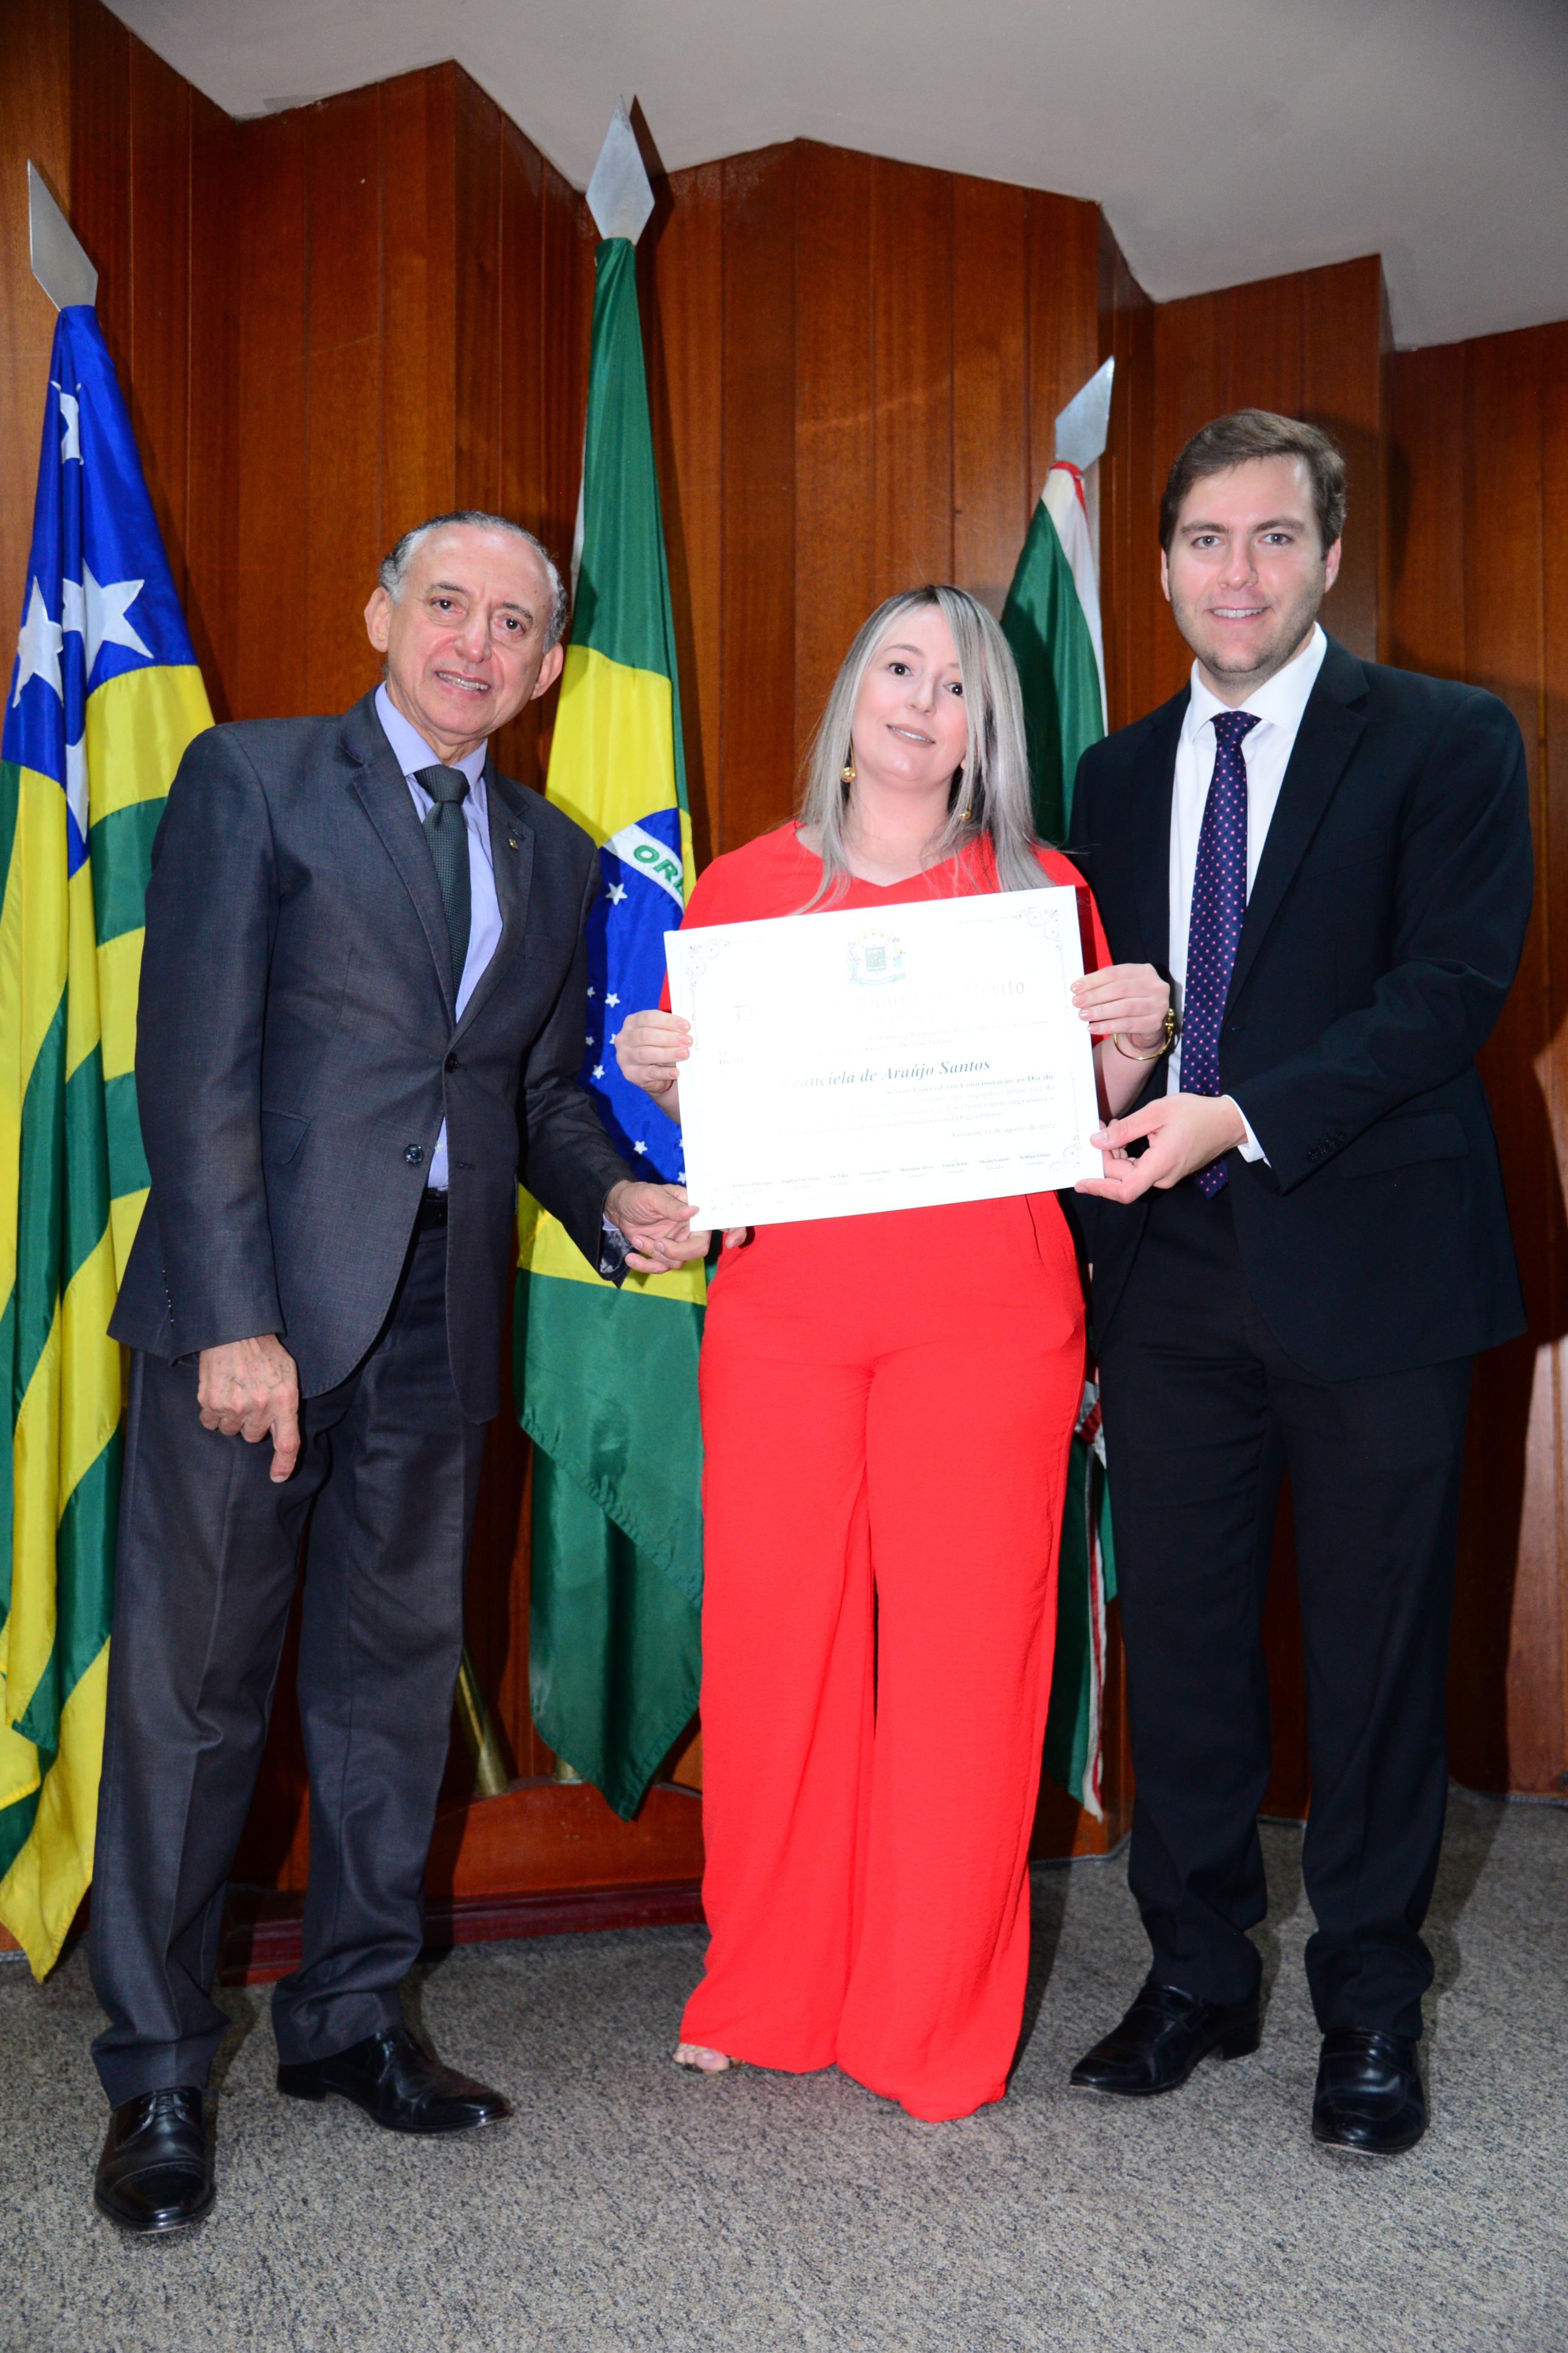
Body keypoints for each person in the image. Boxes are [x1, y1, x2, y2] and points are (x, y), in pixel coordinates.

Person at [89, 511, 704, 2234]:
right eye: (447, 605)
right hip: (257, 1315)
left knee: (386, 1692)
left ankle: (350, 2019)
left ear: (548, 665)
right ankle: (155, 2071)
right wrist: (233, 1317)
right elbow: (192, 1063)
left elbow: (530, 1096)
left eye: (513, 624)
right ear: (381, 614)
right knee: (196, 1702)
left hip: (442, 1316)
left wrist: (614, 1201)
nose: (473, 644)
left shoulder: (554, 853)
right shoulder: (256, 780)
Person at [616, 584, 1166, 2122]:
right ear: (852, 695)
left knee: (964, 1668)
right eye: (900, 669)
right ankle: (768, 1988)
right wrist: (663, 1072)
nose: (924, 702)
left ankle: (929, 2025)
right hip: (785, 1317)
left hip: (986, 1314)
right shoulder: (738, 887)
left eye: (959, 683)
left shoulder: (1037, 887)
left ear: (988, 726)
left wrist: (1133, 1039)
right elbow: (717, 1130)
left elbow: (1089, 1114)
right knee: (774, 1654)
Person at [1065, 411, 1532, 2155]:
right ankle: (1194, 1973)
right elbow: (1105, 1019)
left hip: (1375, 1270)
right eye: (1204, 539)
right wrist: (1118, 1098)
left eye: (1273, 537)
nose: (1237, 571)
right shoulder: (1110, 774)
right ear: (1162, 565)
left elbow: (1451, 987)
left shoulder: (1445, 738)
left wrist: (1238, 1111)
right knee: (1183, 1647)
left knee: (1374, 1656)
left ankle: (1368, 2004)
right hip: (1167, 1272)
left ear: (1329, 555)